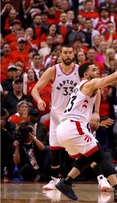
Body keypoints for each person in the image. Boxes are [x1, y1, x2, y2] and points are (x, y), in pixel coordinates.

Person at [55, 62, 117, 202]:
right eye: (94, 69)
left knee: (89, 156)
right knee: (101, 155)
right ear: (86, 74)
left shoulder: (81, 88)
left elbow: (80, 111)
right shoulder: (89, 83)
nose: (97, 70)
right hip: (73, 127)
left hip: (66, 129)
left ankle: (66, 182)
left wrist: (97, 120)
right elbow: (114, 77)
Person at [31, 45, 80, 189]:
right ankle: (54, 179)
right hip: (57, 116)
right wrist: (39, 100)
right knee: (54, 148)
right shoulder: (53, 70)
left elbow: (95, 87)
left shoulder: (79, 70)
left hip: (74, 115)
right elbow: (35, 89)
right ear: (60, 55)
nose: (68, 55)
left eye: (70, 52)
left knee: (81, 149)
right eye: (65, 52)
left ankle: (99, 177)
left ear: (74, 54)